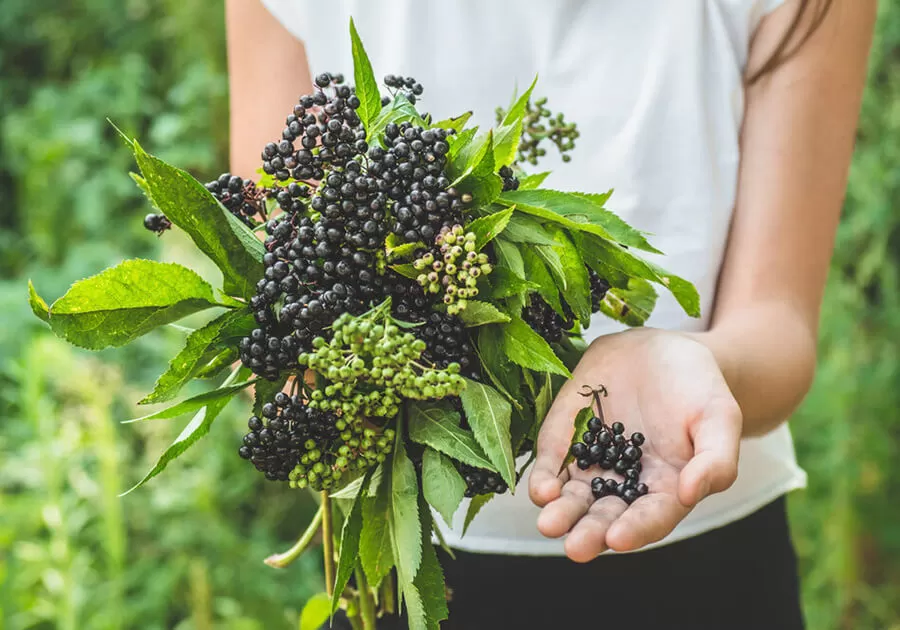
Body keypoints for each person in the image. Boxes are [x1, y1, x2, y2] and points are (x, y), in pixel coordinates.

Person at [225, 1, 875, 628]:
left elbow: (778, 325)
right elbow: (277, 273)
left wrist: (702, 365)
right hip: (416, 564)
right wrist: (323, 376)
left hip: (702, 547)